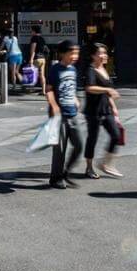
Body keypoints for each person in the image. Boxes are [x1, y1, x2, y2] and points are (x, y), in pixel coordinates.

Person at [46, 40, 83, 189]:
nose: (75, 56)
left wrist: (75, 99)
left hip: (72, 113)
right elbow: (48, 89)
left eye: (77, 53)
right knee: (60, 149)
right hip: (59, 115)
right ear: (63, 53)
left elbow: (71, 88)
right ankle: (56, 178)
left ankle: (67, 171)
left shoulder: (73, 70)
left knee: (79, 145)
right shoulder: (55, 69)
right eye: (72, 53)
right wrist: (54, 105)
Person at [84, 44, 123, 179]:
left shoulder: (104, 69)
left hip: (106, 110)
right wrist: (107, 90)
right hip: (93, 111)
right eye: (101, 53)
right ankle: (89, 167)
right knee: (92, 139)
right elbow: (89, 88)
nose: (105, 55)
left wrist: (114, 108)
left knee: (116, 135)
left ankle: (106, 164)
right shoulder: (91, 70)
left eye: (105, 53)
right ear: (93, 56)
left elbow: (108, 93)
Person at [28, 25, 50, 95]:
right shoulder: (42, 39)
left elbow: (33, 50)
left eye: (32, 31)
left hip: (36, 58)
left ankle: (30, 89)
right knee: (42, 75)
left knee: (32, 74)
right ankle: (43, 91)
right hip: (42, 59)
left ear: (34, 31)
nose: (31, 32)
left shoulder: (34, 38)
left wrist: (31, 59)